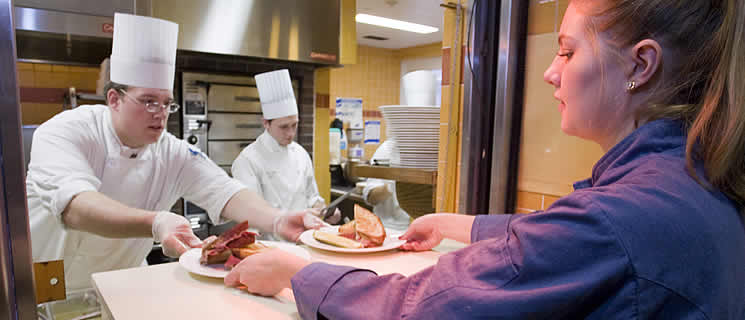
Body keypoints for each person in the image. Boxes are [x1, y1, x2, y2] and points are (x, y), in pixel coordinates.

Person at [224, 0, 745, 318]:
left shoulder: (624, 218)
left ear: (642, 64)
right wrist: (464, 223)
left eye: (567, 51)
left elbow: (421, 309)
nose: (550, 73)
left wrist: (298, 275)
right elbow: (561, 236)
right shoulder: (692, 181)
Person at [25, 13, 323, 293]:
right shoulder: (66, 131)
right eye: (149, 101)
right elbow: (76, 207)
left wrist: (278, 220)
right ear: (114, 99)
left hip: (120, 280)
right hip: (49, 279)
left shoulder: (172, 152)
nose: (161, 114)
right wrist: (156, 222)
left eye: (167, 103)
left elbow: (226, 191)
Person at [231, 69, 340, 227]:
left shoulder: (301, 154)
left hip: (305, 241)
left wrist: (324, 212)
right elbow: (249, 217)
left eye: (294, 125)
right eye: (283, 127)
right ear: (266, 123)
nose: (290, 133)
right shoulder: (247, 161)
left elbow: (313, 199)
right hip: (271, 245)